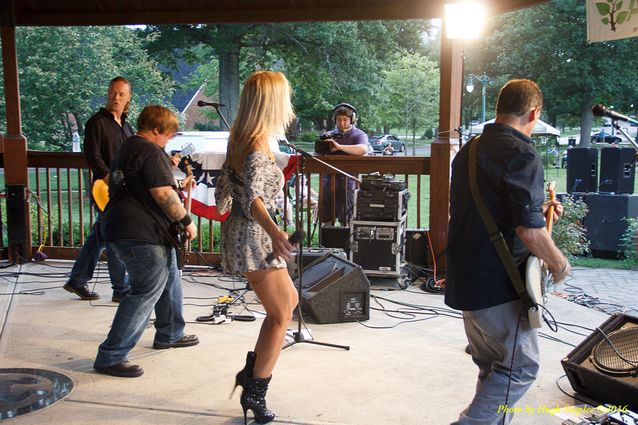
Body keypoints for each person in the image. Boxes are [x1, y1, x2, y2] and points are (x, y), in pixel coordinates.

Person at [445, 79, 572, 425]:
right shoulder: (522, 153)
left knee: (493, 368)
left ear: (500, 107)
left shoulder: (468, 150)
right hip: (499, 285)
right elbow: (528, 231)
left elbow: (495, 210)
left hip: (466, 279)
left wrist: (540, 212)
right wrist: (559, 262)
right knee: (520, 368)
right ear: (534, 112)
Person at [215, 71, 298, 425]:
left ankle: (251, 376)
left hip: (248, 232)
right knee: (281, 314)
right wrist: (276, 231)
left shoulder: (242, 137)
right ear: (272, 101)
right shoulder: (254, 143)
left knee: (287, 304)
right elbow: (252, 199)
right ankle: (254, 391)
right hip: (254, 236)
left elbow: (224, 192)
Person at [93, 105, 199, 378]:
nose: (168, 141)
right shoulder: (151, 150)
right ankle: (111, 355)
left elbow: (145, 187)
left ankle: (170, 332)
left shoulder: (128, 148)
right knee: (145, 290)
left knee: (170, 277)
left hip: (124, 226)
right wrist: (187, 221)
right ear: (155, 130)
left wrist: (179, 186)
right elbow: (162, 193)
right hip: (139, 232)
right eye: (167, 135)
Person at [63, 76, 133, 302]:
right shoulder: (96, 122)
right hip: (105, 190)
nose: (116, 97)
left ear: (128, 98)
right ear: (107, 93)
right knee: (115, 236)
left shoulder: (127, 126)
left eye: (121, 94)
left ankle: (77, 281)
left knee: (100, 236)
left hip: (123, 191)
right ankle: (120, 290)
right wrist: (110, 179)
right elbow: (93, 157)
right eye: (113, 92)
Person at [318, 103, 368, 226]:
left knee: (346, 222)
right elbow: (318, 153)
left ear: (352, 120)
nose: (341, 123)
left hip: (348, 184)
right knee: (326, 221)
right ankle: (327, 244)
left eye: (345, 120)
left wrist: (339, 147)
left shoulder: (359, 134)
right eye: (339, 120)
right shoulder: (329, 135)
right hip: (327, 183)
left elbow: (362, 149)